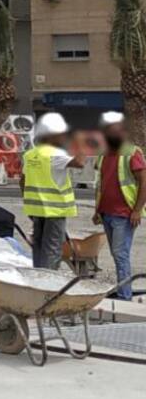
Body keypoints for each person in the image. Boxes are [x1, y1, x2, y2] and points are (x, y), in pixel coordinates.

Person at [93, 111, 145, 299]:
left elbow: (143, 183)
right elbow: (100, 184)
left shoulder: (132, 153)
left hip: (124, 214)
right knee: (118, 255)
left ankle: (124, 295)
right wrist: (97, 210)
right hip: (107, 212)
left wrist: (137, 210)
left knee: (120, 255)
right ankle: (124, 291)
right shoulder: (104, 154)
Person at [21, 112, 81, 269]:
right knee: (52, 249)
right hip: (55, 210)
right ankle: (48, 283)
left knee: (39, 247)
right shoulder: (56, 154)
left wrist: (28, 202)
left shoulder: (29, 155)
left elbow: (23, 181)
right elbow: (80, 162)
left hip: (36, 209)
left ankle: (38, 277)